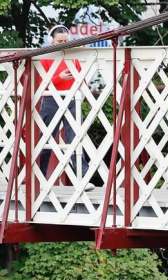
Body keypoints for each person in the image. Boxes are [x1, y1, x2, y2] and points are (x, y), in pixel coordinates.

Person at [38, 25, 93, 189]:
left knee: (75, 138)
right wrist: (59, 77)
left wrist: (84, 92)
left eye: (65, 41)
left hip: (71, 98)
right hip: (51, 99)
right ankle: (39, 177)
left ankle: (82, 178)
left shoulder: (73, 57)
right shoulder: (45, 57)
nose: (62, 44)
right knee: (46, 138)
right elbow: (41, 83)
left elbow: (81, 76)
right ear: (52, 41)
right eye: (59, 41)